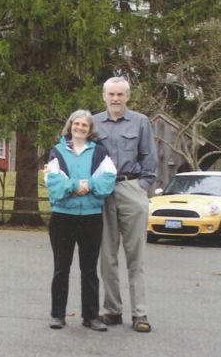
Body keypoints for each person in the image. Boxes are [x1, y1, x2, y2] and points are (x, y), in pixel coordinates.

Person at [92, 76, 157, 333]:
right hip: (103, 193)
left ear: (127, 97)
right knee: (107, 257)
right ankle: (112, 310)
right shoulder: (94, 122)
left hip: (132, 188)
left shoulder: (141, 122)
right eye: (111, 95)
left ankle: (140, 314)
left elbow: (149, 158)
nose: (116, 99)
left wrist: (141, 188)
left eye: (120, 94)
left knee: (135, 257)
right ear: (104, 96)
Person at [45, 110, 116, 331]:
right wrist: (79, 186)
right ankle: (57, 315)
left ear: (90, 129)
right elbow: (54, 184)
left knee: (89, 270)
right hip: (63, 217)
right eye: (76, 124)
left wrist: (88, 186)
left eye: (84, 125)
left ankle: (91, 317)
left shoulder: (100, 153)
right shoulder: (57, 152)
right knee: (61, 268)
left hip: (91, 218)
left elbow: (107, 180)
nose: (80, 128)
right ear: (70, 126)